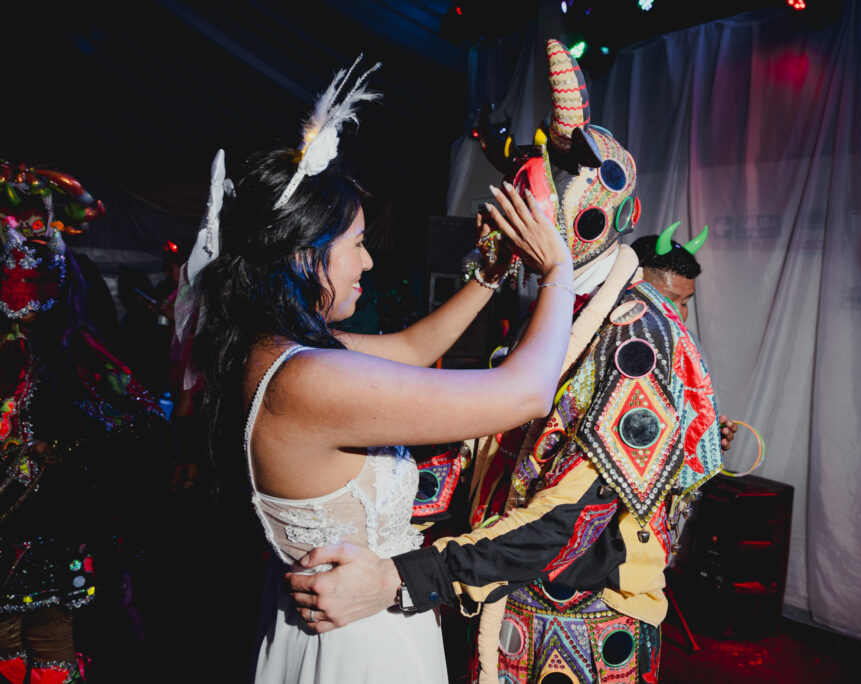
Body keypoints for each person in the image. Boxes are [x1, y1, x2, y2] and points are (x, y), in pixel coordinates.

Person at [287, 41, 726, 684]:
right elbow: (486, 445)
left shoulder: (640, 337)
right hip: (507, 600)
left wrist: (407, 576)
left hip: (584, 623)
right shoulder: (557, 311)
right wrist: (370, 518)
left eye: (529, 208)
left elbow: (571, 519)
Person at [181, 58, 574, 683]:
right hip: (358, 643)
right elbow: (525, 393)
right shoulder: (306, 380)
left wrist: (490, 273)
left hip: (331, 617)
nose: (368, 262)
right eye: (357, 243)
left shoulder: (271, 349)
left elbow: (414, 347)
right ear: (305, 256)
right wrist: (558, 272)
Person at [0, 161, 169, 683]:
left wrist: (62, 450)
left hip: (54, 527)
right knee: (8, 645)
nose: (21, 301)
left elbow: (140, 427)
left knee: (49, 642)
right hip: (23, 522)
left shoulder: (82, 356)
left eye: (34, 283)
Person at [632, 223, 736, 451]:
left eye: (686, 302)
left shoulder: (690, 343)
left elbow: (705, 409)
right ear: (632, 287)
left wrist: (713, 434)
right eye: (669, 300)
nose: (680, 314)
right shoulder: (604, 339)